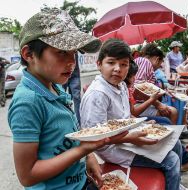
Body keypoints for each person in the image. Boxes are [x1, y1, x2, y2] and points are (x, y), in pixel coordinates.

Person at [8, 8, 126, 189]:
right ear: (28, 54)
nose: (72, 61)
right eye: (62, 52)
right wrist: (83, 150)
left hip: (80, 181)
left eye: (75, 53)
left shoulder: (56, 87)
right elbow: (27, 175)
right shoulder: (28, 102)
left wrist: (89, 156)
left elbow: (72, 135)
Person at [80, 39, 188, 190]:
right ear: (99, 64)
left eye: (123, 64)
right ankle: (173, 180)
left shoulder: (122, 85)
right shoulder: (97, 94)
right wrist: (131, 137)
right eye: (111, 63)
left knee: (175, 142)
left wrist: (142, 124)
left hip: (127, 137)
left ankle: (174, 183)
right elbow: (95, 138)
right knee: (172, 161)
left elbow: (126, 118)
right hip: (113, 149)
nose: (118, 69)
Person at [125, 60, 188, 172]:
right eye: (133, 77)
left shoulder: (124, 87)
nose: (135, 79)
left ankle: (182, 151)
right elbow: (132, 112)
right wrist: (152, 101)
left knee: (168, 122)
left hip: (135, 118)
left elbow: (130, 114)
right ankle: (184, 157)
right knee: (167, 121)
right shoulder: (126, 85)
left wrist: (144, 121)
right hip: (134, 120)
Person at [134, 43, 178, 124]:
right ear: (157, 59)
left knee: (172, 108)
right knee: (173, 112)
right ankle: (175, 134)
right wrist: (158, 105)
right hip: (137, 105)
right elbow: (138, 87)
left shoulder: (141, 62)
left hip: (144, 103)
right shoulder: (145, 62)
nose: (159, 67)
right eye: (160, 64)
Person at [63, 53, 81, 124]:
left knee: (77, 97)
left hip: (75, 74)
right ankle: (66, 121)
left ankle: (78, 123)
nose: (71, 61)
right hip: (63, 73)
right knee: (62, 97)